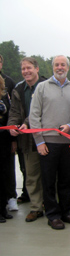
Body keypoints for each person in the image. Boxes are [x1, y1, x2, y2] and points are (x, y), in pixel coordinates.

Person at [29, 55, 70, 230]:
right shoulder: (42, 88)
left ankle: (66, 212)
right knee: (49, 181)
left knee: (66, 180)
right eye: (57, 64)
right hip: (48, 143)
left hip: (68, 143)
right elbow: (34, 116)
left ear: (68, 67)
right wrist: (39, 141)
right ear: (53, 67)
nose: (60, 67)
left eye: (63, 65)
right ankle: (53, 214)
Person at [8, 57, 46, 222]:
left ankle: (52, 205)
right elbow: (14, 111)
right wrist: (12, 127)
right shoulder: (18, 89)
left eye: (29, 68)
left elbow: (40, 111)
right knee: (31, 176)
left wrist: (25, 123)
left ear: (37, 69)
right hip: (27, 141)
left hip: (46, 139)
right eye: (23, 69)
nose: (26, 71)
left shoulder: (46, 86)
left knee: (51, 175)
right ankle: (36, 208)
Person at [0, 54, 18, 212]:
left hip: (5, 137)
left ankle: (10, 197)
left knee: (8, 168)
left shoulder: (9, 82)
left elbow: (12, 112)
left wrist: (13, 139)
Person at [0, 76, 15, 222]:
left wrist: (12, 141)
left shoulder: (5, 98)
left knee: (5, 175)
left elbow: (10, 117)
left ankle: (3, 207)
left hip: (4, 141)